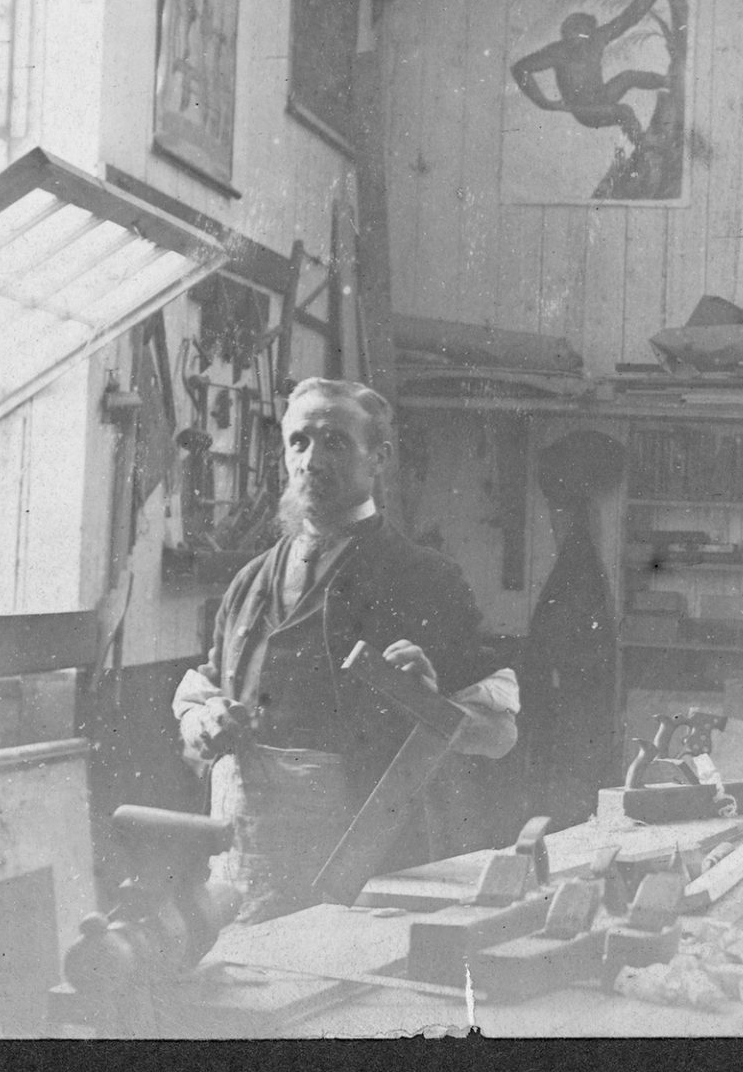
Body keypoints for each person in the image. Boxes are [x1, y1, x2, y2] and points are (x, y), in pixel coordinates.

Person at [172, 377, 517, 921]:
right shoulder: (248, 582)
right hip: (245, 860)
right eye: (299, 442)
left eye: (335, 442)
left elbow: (500, 733)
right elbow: (198, 696)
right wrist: (205, 720)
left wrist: (432, 708)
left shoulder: (426, 579)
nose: (312, 459)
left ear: (378, 458)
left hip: (363, 868)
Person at [510, 0, 679, 146]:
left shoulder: (596, 39)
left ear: (589, 32)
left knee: (628, 77)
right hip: (584, 110)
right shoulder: (558, 51)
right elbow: (520, 68)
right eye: (572, 34)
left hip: (601, 96)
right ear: (565, 34)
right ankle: (641, 144)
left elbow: (631, 15)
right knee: (624, 111)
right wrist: (543, 102)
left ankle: (668, 81)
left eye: (581, 34)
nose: (577, 40)